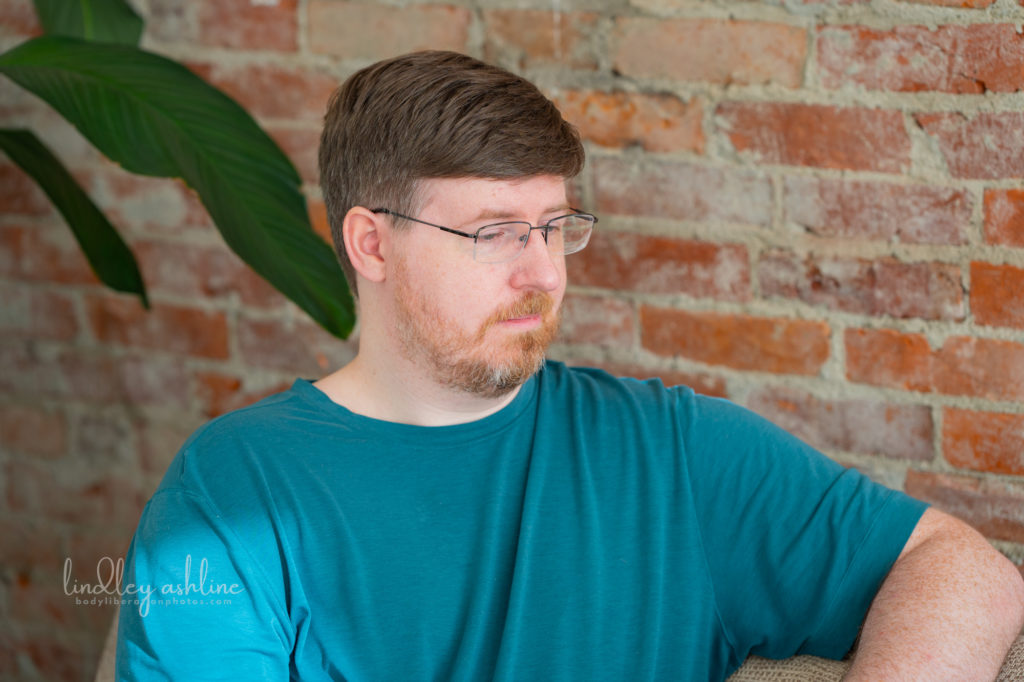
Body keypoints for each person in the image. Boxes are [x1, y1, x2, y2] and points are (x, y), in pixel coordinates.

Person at [116, 50, 1024, 681]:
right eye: (495, 233)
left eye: (555, 228)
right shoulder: (232, 497)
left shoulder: (672, 454)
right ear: (371, 243)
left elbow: (962, 569)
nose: (544, 272)